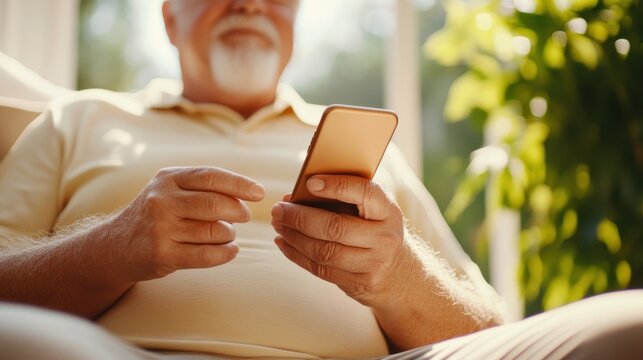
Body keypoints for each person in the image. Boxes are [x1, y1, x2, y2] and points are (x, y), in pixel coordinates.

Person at [0, 1, 641, 359]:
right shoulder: (78, 118)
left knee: (627, 326)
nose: (250, 2)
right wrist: (112, 247)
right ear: (170, 17)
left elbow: (491, 331)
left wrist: (399, 276)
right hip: (121, 355)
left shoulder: (369, 153)